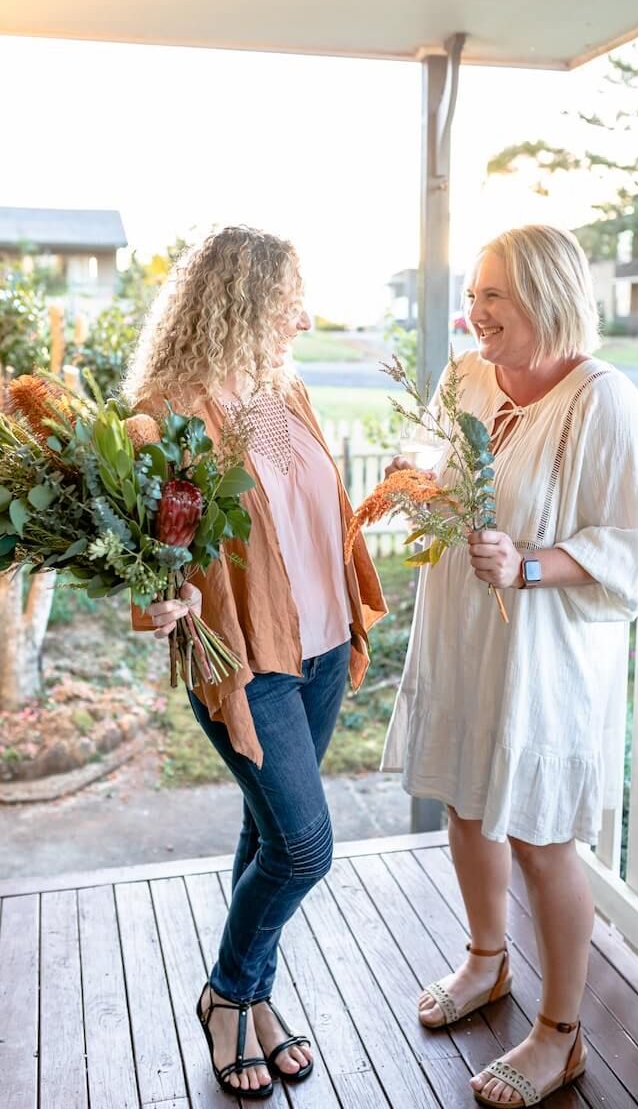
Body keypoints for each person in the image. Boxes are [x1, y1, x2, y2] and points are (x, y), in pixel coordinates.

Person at [381, 224, 638, 1106]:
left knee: (542, 839)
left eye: (492, 295)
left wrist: (531, 564)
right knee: (467, 805)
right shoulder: (465, 377)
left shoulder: (600, 400)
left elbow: (633, 546)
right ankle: (486, 961)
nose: (475, 311)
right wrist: (419, 481)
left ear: (544, 294)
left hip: (545, 654)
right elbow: (448, 464)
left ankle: (562, 1034)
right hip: (464, 632)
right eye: (473, 293)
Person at [124, 225, 386, 1099]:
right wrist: (164, 599)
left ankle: (256, 1004)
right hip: (244, 657)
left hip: (313, 646)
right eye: (284, 301)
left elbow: (306, 515)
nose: (299, 317)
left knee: (264, 832)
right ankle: (226, 994)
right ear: (235, 299)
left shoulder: (281, 394)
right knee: (305, 846)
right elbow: (150, 551)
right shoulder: (168, 411)